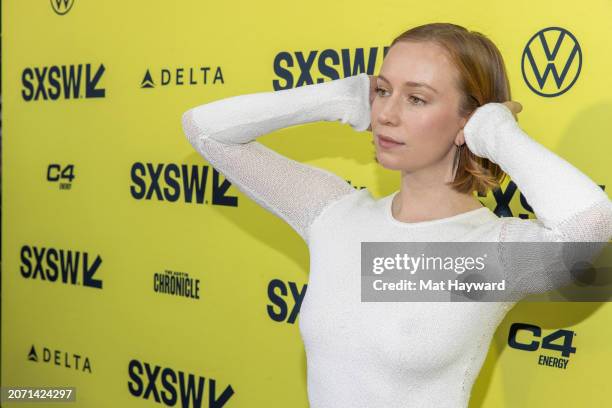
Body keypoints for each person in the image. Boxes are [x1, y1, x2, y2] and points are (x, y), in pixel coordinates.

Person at [181, 23, 612, 408]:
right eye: (383, 91)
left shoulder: (490, 253)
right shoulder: (331, 212)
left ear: (470, 118)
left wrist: (494, 132)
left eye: (417, 98)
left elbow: (591, 223)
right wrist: (337, 97)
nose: (385, 115)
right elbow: (205, 130)